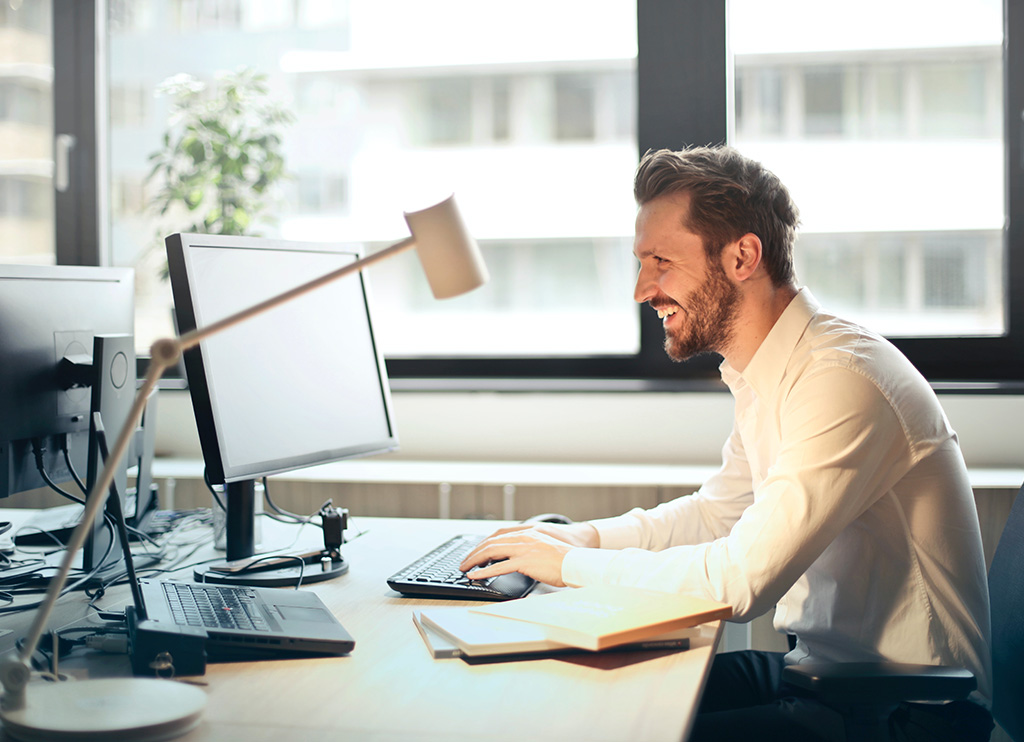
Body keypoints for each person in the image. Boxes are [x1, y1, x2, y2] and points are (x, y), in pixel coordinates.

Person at [460, 146, 994, 741]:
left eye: (660, 261)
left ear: (743, 256)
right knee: (575, 698)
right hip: (822, 678)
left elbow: (741, 582)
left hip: (907, 712)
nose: (642, 289)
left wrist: (567, 565)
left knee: (611, 727)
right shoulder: (769, 370)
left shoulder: (842, 379)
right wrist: (582, 537)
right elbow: (719, 515)